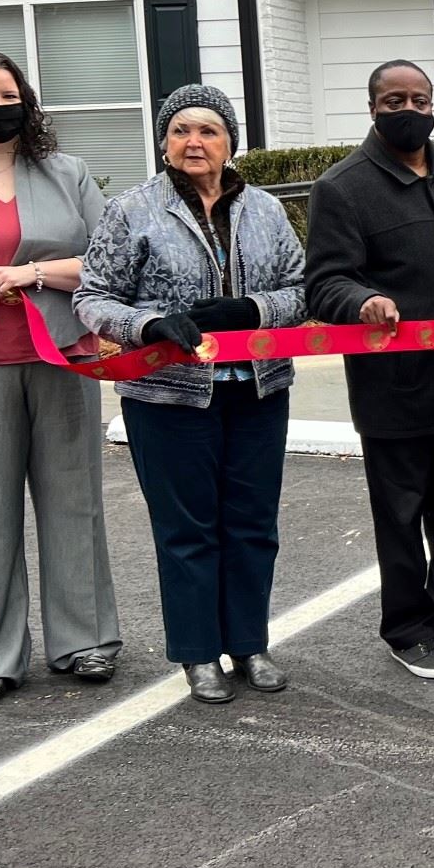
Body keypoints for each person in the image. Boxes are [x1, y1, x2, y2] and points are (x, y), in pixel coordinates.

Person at [74, 85, 305, 704]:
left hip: (258, 390)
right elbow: (93, 297)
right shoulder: (132, 211)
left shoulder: (266, 210)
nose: (193, 142)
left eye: (208, 130)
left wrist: (252, 309)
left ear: (231, 143)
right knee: (187, 530)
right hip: (166, 396)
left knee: (253, 524)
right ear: (164, 143)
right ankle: (199, 653)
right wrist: (148, 324)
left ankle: (250, 644)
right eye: (180, 131)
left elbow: (300, 288)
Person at [306, 61, 434, 682]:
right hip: (394, 386)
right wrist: (361, 300)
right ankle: (408, 627)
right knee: (401, 517)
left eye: (419, 99)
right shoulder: (341, 187)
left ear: (433, 104)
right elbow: (324, 282)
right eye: (394, 100)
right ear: (372, 108)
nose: (408, 110)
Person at [0, 50, 120, 705]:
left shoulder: (68, 173)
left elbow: (108, 260)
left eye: (7, 96)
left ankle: (84, 640)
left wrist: (31, 272)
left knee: (74, 499)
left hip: (63, 356)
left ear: (26, 102)